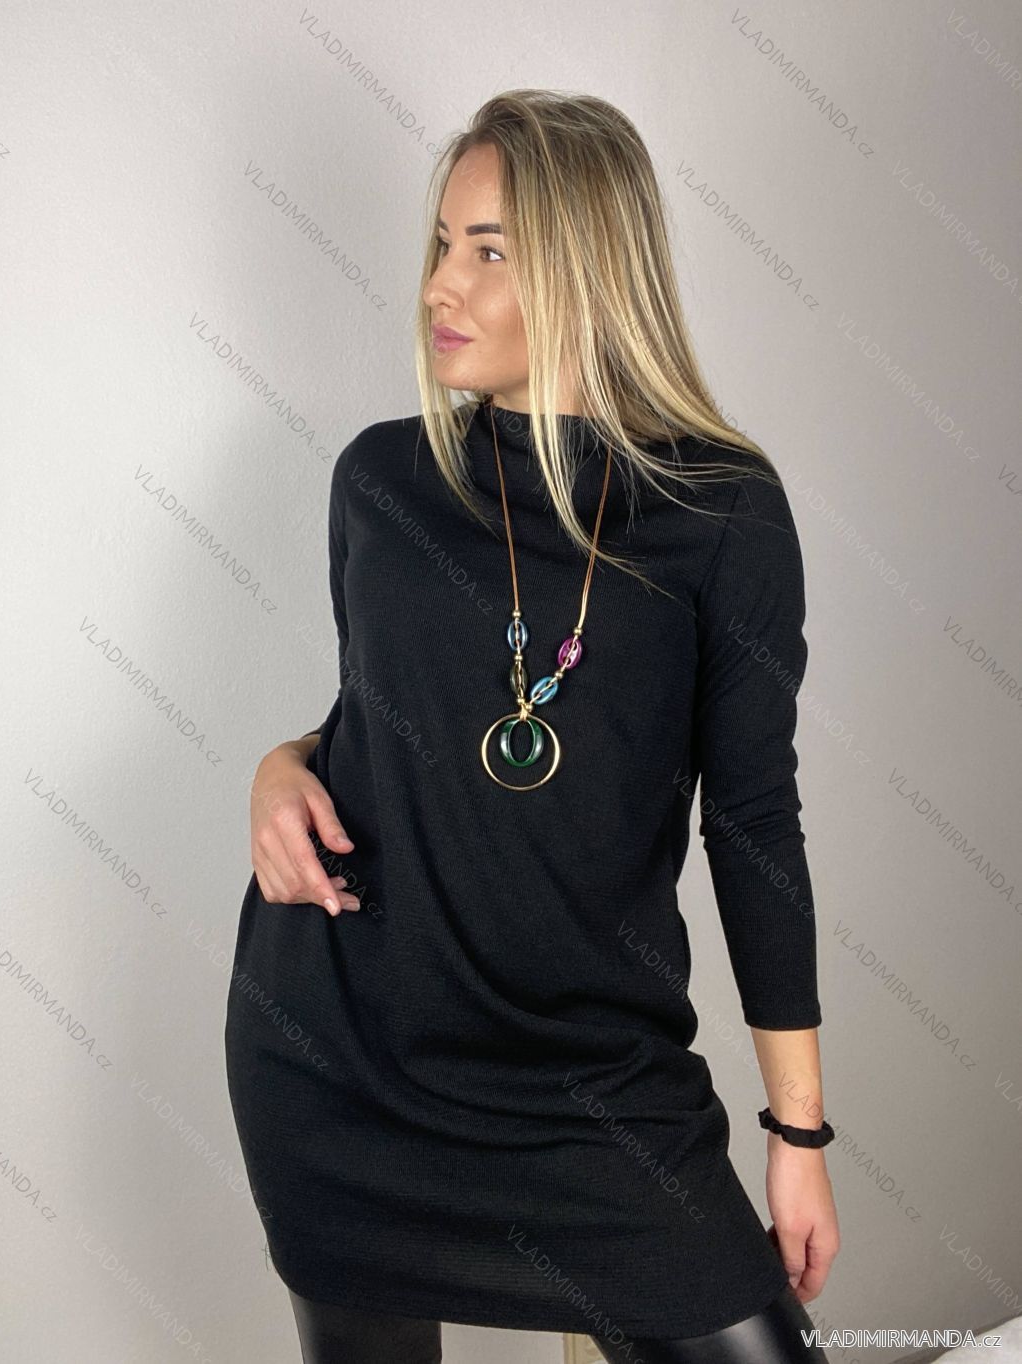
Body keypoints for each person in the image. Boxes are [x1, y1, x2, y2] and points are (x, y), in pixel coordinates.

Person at [225, 89, 840, 1364]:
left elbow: (752, 822)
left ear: (586, 265)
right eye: (441, 244)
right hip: (342, 1062)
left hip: (594, 1094)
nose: (439, 284)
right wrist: (279, 766)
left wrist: (795, 1134)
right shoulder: (380, 481)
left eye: (488, 249)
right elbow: (383, 724)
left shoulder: (718, 511)